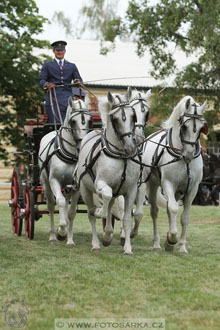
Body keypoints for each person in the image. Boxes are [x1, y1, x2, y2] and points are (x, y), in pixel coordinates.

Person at [38, 40, 85, 123]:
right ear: (54, 51)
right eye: (57, 50)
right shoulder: (47, 65)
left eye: (61, 50)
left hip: (68, 99)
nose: (60, 52)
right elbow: (41, 80)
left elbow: (79, 79)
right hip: (53, 98)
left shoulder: (72, 66)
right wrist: (47, 84)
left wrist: (78, 81)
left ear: (65, 51)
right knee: (58, 123)